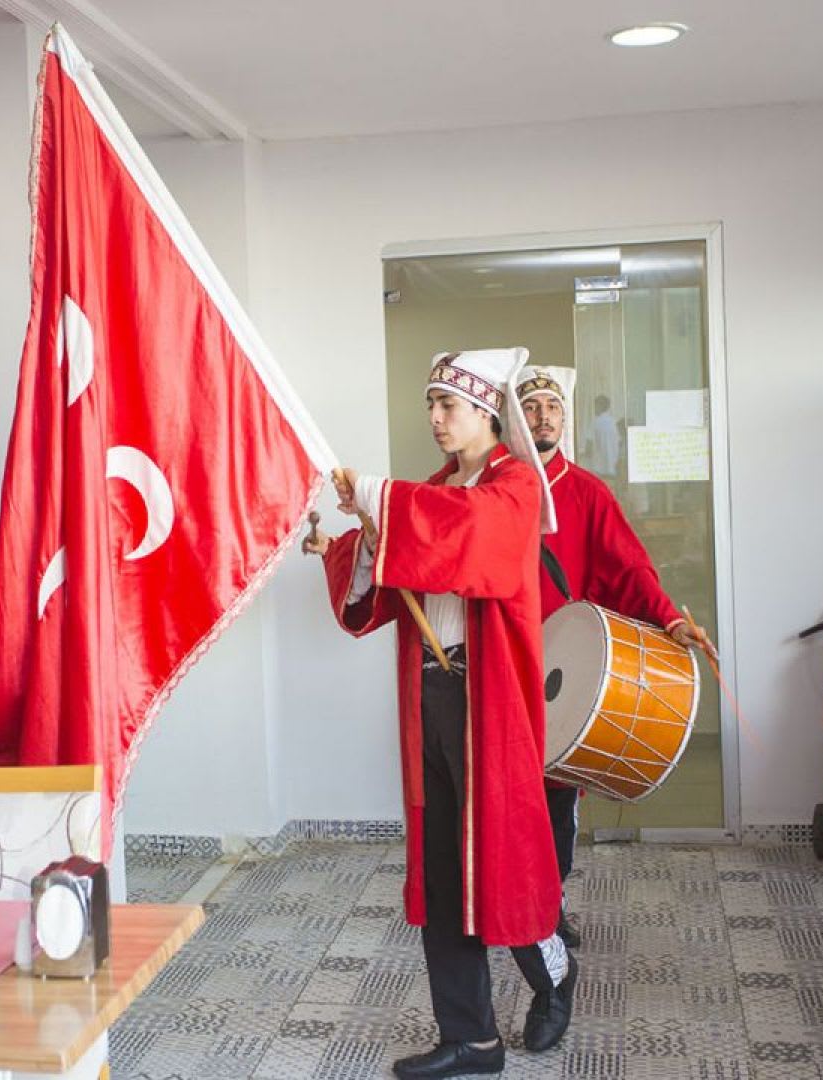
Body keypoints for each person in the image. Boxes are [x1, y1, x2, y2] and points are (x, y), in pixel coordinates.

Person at [304, 349, 575, 1079]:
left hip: (492, 701)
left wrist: (380, 498)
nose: (434, 417)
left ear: (485, 410)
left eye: (447, 405)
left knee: (504, 858)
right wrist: (366, 538)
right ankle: (471, 1038)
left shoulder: (515, 486)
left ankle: (553, 973)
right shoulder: (431, 492)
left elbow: (470, 537)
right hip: (432, 690)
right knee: (444, 869)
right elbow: (397, 576)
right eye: (430, 404)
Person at [516, 368, 713, 952]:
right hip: (499, 663)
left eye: (553, 407)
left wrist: (669, 618)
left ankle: (549, 907)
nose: (544, 417)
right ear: (513, 419)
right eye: (532, 408)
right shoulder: (492, 491)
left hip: (563, 670)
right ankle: (506, 905)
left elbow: (629, 569)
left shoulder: (587, 492)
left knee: (557, 796)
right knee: (503, 795)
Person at [584, 393, 620, 479]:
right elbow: (619, 442)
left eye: (595, 406)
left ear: (599, 406)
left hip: (599, 467)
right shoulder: (614, 422)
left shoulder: (595, 422)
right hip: (613, 465)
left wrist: (586, 457)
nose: (594, 409)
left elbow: (589, 444)